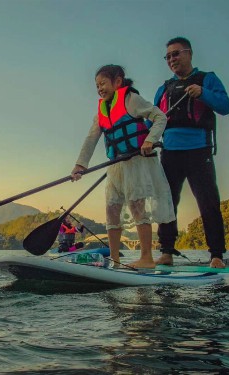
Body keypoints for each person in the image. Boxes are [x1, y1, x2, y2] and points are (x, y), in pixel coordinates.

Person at [71, 65, 174, 269]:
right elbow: (91, 138)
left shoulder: (131, 99)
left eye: (103, 83)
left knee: (137, 207)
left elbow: (160, 117)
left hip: (137, 162)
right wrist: (80, 165)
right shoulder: (101, 110)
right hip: (116, 166)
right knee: (111, 210)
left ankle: (146, 258)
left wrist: (150, 140)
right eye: (97, 85)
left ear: (118, 82)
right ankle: (116, 260)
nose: (99, 88)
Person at [153, 37, 229, 268]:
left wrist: (203, 93)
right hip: (170, 152)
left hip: (199, 151)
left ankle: (216, 255)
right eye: (167, 56)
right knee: (167, 203)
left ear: (189, 54)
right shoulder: (163, 88)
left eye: (176, 54)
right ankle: (166, 251)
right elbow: (153, 119)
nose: (171, 59)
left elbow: (226, 106)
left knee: (208, 202)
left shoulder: (207, 79)